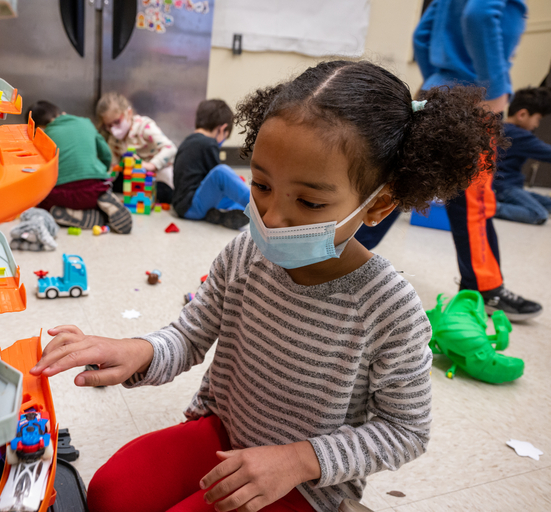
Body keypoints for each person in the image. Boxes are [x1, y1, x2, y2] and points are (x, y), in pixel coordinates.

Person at [30, 61, 503, 512]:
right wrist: (140, 350)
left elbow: (406, 430)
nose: (273, 218)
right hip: (222, 435)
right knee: (112, 494)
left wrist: (300, 459)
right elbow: (190, 335)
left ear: (377, 207)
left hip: (303, 483)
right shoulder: (245, 251)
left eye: (310, 201)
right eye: (260, 185)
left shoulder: (389, 309)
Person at [355, 0, 542, 321]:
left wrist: (439, 81)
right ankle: (485, 290)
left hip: (436, 91)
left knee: (401, 182)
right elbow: (480, 15)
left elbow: (423, 35)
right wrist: (495, 89)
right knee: (473, 202)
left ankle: (334, 257)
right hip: (474, 101)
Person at [27, 101, 132, 234]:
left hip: (61, 196)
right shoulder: (86, 123)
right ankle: (103, 200)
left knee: (43, 203)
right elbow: (106, 153)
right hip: (94, 191)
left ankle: (70, 213)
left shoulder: (44, 134)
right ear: (62, 114)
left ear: (38, 128)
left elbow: (38, 172)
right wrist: (102, 172)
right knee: (102, 187)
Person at [172, 99, 251, 230]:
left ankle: (219, 215)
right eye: (225, 136)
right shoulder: (208, 143)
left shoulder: (188, 141)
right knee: (222, 172)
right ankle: (259, 207)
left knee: (235, 198)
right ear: (222, 128)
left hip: (184, 206)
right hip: (191, 205)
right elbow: (219, 180)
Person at [96, 92, 177, 204]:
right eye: (109, 126)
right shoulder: (114, 140)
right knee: (119, 186)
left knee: (164, 193)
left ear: (129, 113)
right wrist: (105, 182)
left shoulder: (144, 127)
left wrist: (151, 165)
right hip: (136, 177)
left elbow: (170, 148)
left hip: (158, 173)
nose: (114, 129)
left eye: (117, 122)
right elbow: (113, 167)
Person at [493, 87, 551, 224]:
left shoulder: (502, 128)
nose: (536, 124)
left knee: (548, 204)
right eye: (537, 119)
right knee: (539, 214)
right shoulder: (519, 136)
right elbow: (548, 153)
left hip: (502, 186)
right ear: (522, 114)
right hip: (506, 187)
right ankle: (491, 207)